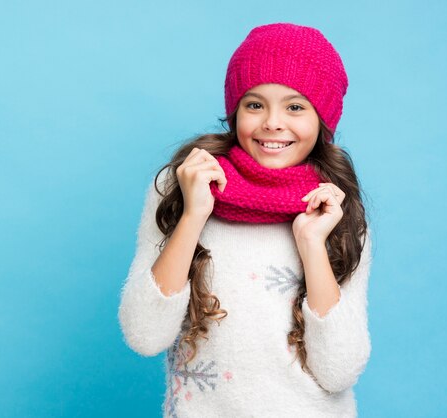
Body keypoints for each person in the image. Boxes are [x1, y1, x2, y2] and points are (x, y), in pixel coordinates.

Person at [117, 22, 374, 418]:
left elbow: (339, 370)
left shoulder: (335, 209)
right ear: (235, 111)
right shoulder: (183, 186)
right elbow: (145, 335)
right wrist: (193, 215)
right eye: (255, 104)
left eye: (295, 106)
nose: (272, 122)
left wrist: (312, 246)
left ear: (323, 119)